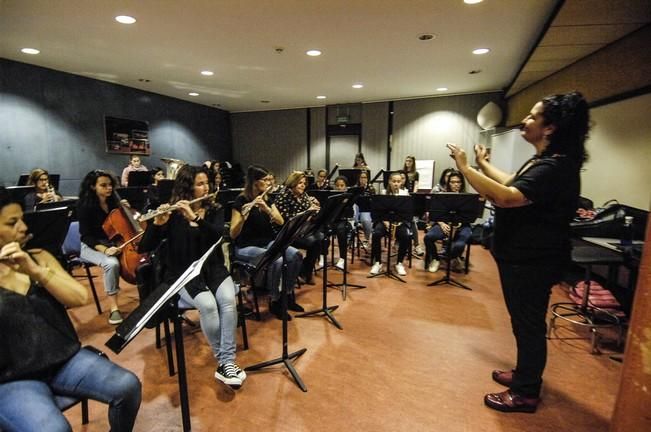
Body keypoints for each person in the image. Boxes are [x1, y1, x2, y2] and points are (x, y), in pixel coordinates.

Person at [447, 91, 589, 413]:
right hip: (523, 257)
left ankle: (526, 392)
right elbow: (513, 182)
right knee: (523, 322)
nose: (524, 121)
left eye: (532, 116)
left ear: (551, 127)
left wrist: (466, 170)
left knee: (528, 325)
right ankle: (524, 374)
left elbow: (508, 197)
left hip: (532, 260)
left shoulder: (556, 166)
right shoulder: (543, 161)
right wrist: (483, 164)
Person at [0, 186, 142, 432]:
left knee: (127, 387)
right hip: (13, 378)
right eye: (12, 223)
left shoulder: (38, 257)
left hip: (63, 359)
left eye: (21, 219)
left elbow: (79, 297)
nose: (23, 228)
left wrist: (36, 272)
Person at [138, 165, 246, 388]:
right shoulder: (172, 213)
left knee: (227, 301)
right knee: (207, 306)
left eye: (207, 182)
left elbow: (218, 236)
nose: (206, 187)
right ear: (187, 187)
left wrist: (195, 216)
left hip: (213, 268)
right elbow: (145, 247)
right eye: (200, 184)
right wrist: (157, 225)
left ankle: (226, 362)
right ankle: (226, 362)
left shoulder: (214, 208)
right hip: (184, 272)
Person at [230, 165, 304, 320]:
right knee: (276, 260)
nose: (269, 183)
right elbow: (233, 233)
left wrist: (266, 209)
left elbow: (280, 220)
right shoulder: (241, 200)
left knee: (295, 255)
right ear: (255, 182)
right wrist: (243, 217)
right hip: (246, 246)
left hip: (267, 243)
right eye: (265, 180)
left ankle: (287, 294)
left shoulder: (267, 198)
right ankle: (275, 301)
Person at [77, 170, 125, 325]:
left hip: (112, 242)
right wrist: (105, 250)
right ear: (92, 187)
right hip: (92, 245)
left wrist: (126, 209)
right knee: (111, 264)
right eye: (103, 185)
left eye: (110, 185)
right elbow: (86, 236)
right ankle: (114, 307)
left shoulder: (113, 202)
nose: (109, 188)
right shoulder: (84, 206)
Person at [274, 171, 322, 283]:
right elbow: (286, 220)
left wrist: (316, 208)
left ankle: (304, 270)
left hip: (301, 230)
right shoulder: (283, 196)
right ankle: (305, 272)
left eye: (304, 183)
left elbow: (311, 214)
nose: (303, 186)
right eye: (300, 183)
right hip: (287, 233)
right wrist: (307, 212)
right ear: (293, 182)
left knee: (321, 238)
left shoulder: (303, 195)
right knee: (314, 242)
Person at [423, 170, 472, 273]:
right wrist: (441, 223)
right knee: (428, 237)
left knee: (459, 245)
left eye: (458, 182)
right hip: (444, 224)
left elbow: (470, 216)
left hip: (462, 225)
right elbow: (435, 213)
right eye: (453, 182)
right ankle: (436, 259)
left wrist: (457, 226)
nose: (456, 185)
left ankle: (452, 257)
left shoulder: (468, 197)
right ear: (448, 183)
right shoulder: (441, 196)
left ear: (462, 183)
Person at [369, 172, 411, 276]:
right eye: (394, 181)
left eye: (398, 181)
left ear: (401, 182)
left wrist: (399, 222)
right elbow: (378, 212)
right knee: (376, 234)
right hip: (385, 222)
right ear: (389, 182)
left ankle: (399, 263)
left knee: (405, 236)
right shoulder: (383, 193)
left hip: (399, 222)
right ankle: (378, 262)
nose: (396, 183)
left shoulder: (405, 194)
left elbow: (407, 213)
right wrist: (385, 222)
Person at [403, 156, 425, 256]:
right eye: (406, 161)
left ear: (413, 162)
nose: (408, 162)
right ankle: (399, 243)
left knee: (412, 221)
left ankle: (416, 245)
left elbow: (416, 185)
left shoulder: (415, 173)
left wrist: (413, 195)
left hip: (410, 197)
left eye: (410, 161)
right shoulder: (402, 173)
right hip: (401, 197)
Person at [353, 169, 374, 249]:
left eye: (365, 177)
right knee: (351, 220)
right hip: (356, 209)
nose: (363, 179)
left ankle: (367, 239)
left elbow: (374, 202)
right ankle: (351, 240)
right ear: (359, 178)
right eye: (361, 177)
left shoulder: (371, 189)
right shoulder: (355, 188)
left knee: (366, 220)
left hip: (366, 210)